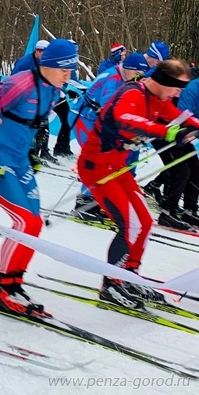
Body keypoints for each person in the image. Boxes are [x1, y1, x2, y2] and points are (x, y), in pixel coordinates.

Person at [77, 59, 199, 310]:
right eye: (177, 88)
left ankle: (128, 275)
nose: (177, 94)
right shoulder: (133, 93)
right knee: (130, 224)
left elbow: (179, 117)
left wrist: (194, 126)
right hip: (98, 168)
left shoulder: (157, 99)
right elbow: (126, 119)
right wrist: (167, 132)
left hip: (117, 168)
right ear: (165, 82)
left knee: (143, 221)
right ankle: (111, 283)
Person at [0, 39, 78, 318]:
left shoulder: (54, 90)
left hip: (20, 161)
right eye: (64, 69)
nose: (68, 75)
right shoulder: (19, 83)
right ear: (48, 65)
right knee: (24, 222)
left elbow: (31, 126)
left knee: (34, 225)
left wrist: (30, 153)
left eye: (71, 69)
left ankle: (15, 282)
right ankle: (3, 289)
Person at [70, 52, 148, 220]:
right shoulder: (113, 79)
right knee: (95, 159)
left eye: (142, 76)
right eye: (137, 74)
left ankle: (97, 199)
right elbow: (110, 110)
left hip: (95, 119)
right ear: (128, 69)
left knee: (105, 160)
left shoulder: (125, 78)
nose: (139, 79)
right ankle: (85, 202)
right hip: (84, 118)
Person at [157, 75, 199, 228]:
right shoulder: (193, 88)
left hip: (183, 133)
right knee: (181, 171)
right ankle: (168, 211)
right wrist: (190, 129)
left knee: (196, 169)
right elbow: (180, 115)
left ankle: (190, 209)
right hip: (166, 132)